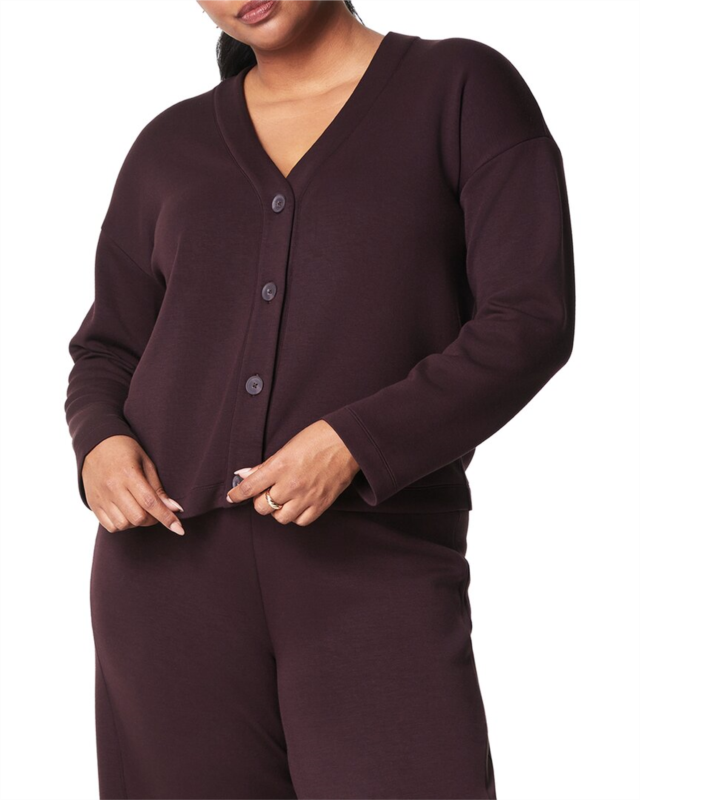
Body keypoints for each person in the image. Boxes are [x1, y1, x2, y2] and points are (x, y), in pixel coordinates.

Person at [65, 0, 575, 797]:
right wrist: (99, 443)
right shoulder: (168, 145)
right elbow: (108, 347)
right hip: (165, 575)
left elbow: (530, 320)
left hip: (376, 564)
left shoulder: (460, 88)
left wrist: (356, 441)